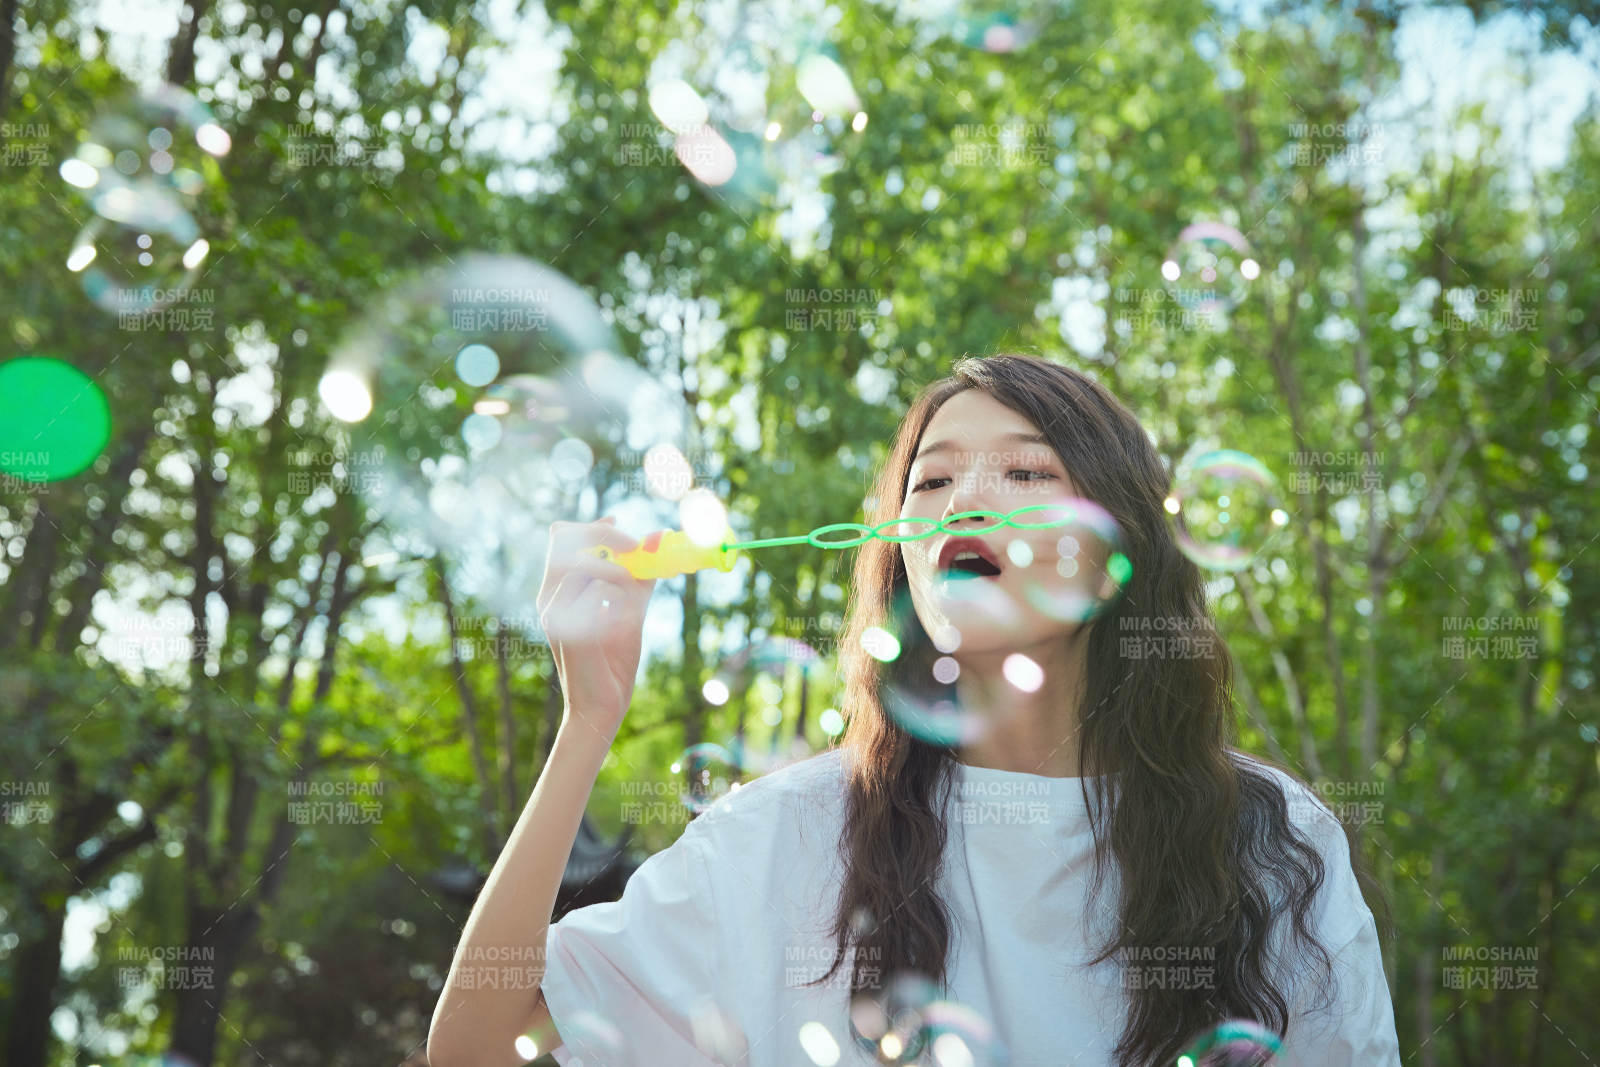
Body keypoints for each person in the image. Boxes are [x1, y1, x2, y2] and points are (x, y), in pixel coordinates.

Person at [426, 353, 1402, 1067]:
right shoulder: (779, 839)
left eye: (1025, 472)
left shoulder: (1270, 840)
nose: (966, 497)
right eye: (931, 480)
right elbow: (476, 1043)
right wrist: (586, 721)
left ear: (1120, 549)